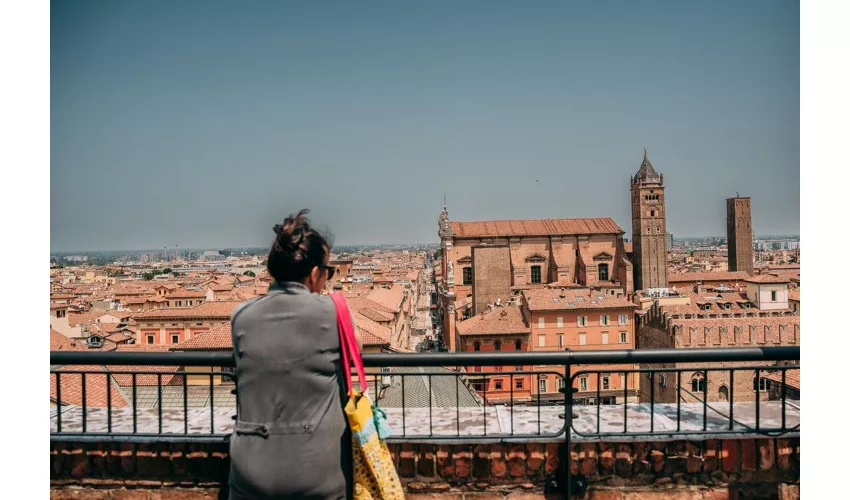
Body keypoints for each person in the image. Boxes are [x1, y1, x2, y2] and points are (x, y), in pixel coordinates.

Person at [228, 209, 354, 499]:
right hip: (315, 470)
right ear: (314, 274)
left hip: (248, 470)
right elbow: (354, 352)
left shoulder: (241, 316)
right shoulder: (333, 312)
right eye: (328, 272)